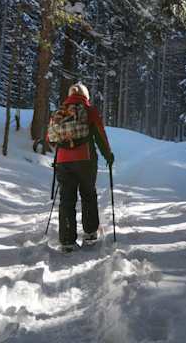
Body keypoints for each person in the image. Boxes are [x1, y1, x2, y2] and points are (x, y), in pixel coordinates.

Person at [50, 82, 114, 252]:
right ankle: (90, 233)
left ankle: (67, 241)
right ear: (86, 95)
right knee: (88, 195)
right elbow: (100, 135)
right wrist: (108, 155)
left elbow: (50, 138)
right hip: (85, 160)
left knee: (66, 200)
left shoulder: (60, 111)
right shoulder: (90, 111)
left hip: (63, 162)